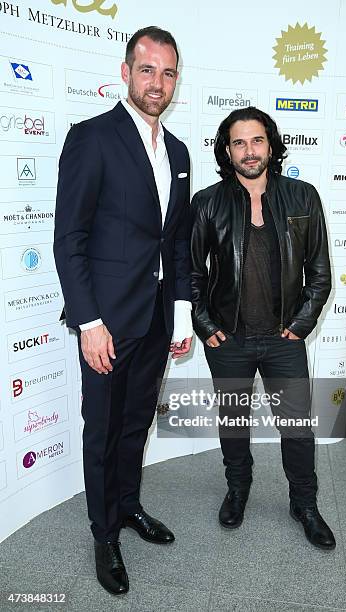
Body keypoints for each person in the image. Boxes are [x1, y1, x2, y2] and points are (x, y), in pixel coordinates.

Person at [54, 26, 192, 595]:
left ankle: (129, 507)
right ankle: (103, 533)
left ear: (175, 80)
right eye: (147, 69)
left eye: (167, 72)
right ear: (125, 72)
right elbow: (70, 239)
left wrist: (181, 316)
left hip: (156, 321)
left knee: (137, 425)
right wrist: (88, 322)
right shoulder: (92, 138)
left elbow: (178, 241)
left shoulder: (180, 152)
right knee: (103, 431)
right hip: (106, 324)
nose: (156, 82)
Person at [190, 106, 336, 550]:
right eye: (239, 142)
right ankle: (238, 490)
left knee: (297, 428)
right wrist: (204, 323)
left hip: (282, 339)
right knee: (233, 422)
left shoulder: (303, 197)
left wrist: (301, 323)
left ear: (270, 145)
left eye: (256, 141)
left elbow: (321, 272)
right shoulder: (207, 202)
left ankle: (305, 504)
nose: (249, 151)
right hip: (228, 339)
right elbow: (192, 274)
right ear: (227, 150)